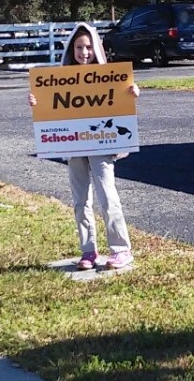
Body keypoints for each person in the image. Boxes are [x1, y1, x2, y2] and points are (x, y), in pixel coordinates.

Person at [27, 22, 140, 270]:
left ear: (96, 48)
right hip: (74, 148)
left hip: (101, 147)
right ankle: (88, 250)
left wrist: (132, 92)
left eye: (88, 47)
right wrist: (36, 101)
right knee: (80, 201)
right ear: (71, 49)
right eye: (79, 47)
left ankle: (121, 249)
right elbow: (49, 107)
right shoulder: (59, 79)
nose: (84, 52)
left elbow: (123, 99)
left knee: (108, 196)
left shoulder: (109, 76)